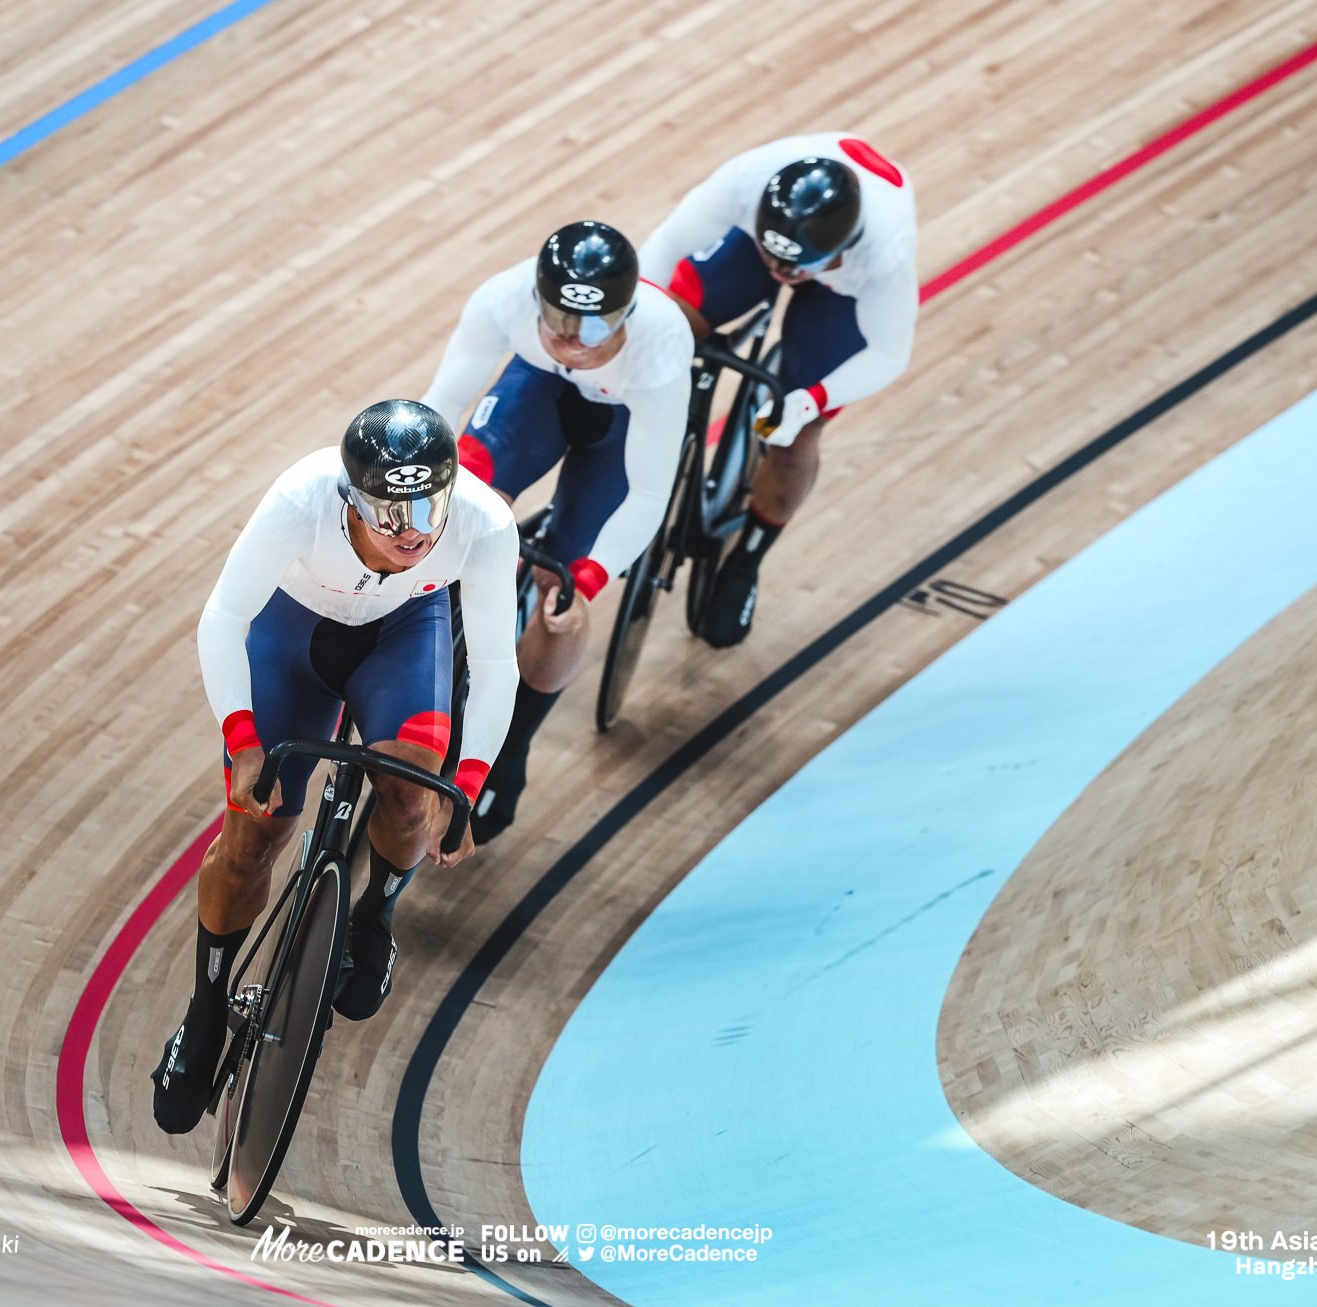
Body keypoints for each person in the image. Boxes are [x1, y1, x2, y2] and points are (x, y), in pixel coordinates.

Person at [151, 399, 519, 1135]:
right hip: (293, 638)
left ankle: (376, 910)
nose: (413, 529)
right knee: (254, 833)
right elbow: (223, 618)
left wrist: (470, 783)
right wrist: (244, 738)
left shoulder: (483, 522)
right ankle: (206, 1004)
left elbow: (495, 662)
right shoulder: (301, 498)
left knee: (416, 796)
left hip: (402, 638)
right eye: (391, 514)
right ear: (352, 500)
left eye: (427, 506)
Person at [419, 220, 693, 842]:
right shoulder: (504, 299)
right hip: (536, 394)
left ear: (626, 313)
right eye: (561, 321)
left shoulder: (659, 344)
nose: (574, 340)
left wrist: (590, 578)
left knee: (560, 587)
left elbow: (650, 492)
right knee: (458, 502)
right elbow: (440, 404)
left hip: (619, 424)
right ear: (538, 298)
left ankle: (510, 748)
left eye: (595, 327)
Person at [638, 133, 917, 647]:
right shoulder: (746, 181)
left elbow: (888, 355)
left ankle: (748, 559)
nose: (780, 274)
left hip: (842, 293)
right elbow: (663, 248)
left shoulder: (882, 254)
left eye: (793, 268)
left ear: (837, 251)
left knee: (794, 436)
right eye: (774, 257)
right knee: (665, 328)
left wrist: (809, 401)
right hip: (758, 234)